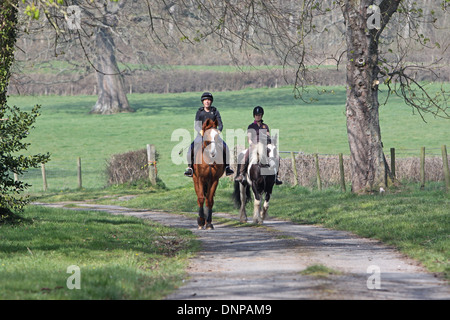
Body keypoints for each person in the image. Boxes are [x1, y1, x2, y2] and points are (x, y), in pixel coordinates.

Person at [184, 92, 234, 177]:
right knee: (191, 148)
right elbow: (196, 125)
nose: (207, 102)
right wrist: (201, 131)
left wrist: (219, 130)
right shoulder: (199, 112)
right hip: (202, 135)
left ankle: (227, 167)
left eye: (209, 100)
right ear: (203, 102)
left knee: (225, 147)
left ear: (211, 101)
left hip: (213, 135)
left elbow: (220, 124)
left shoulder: (215, 111)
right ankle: (190, 168)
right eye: (205, 100)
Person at [235, 106, 282, 185]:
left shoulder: (265, 126)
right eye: (256, 115)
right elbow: (249, 138)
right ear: (254, 116)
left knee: (276, 156)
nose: (258, 116)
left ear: (262, 116)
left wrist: (270, 141)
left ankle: (275, 176)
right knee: (245, 156)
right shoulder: (251, 126)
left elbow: (268, 136)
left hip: (264, 146)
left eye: (259, 115)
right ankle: (242, 174)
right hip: (254, 146)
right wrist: (252, 144)